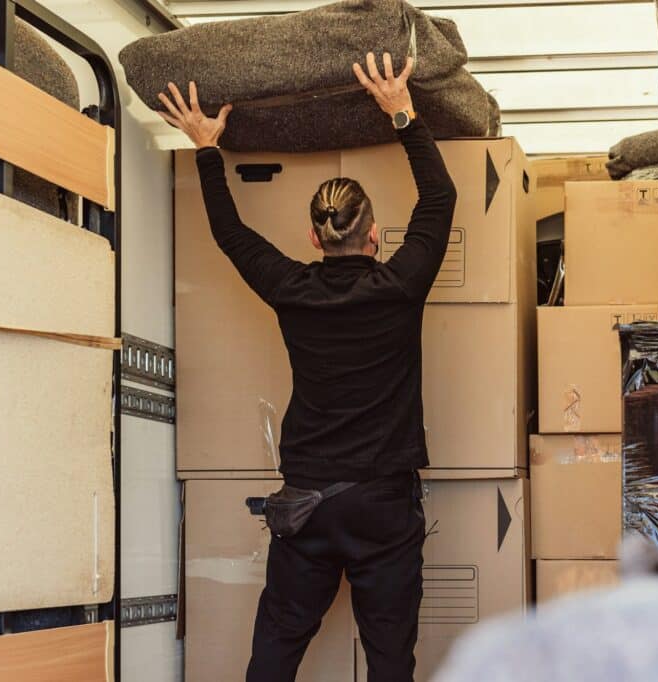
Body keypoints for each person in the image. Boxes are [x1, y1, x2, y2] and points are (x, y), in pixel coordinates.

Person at [156, 51, 457, 682]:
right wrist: (400, 111)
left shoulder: (292, 289)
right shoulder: (402, 283)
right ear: (375, 235)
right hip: (382, 504)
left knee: (275, 655)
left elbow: (231, 233)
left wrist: (208, 147)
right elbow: (441, 195)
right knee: (389, 662)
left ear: (315, 237)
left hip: (309, 502)